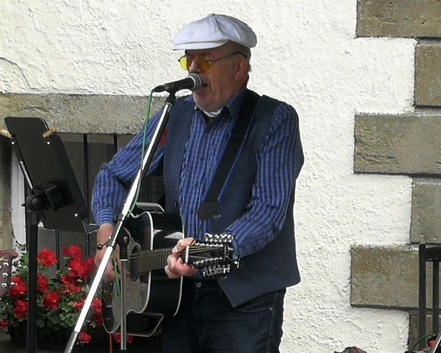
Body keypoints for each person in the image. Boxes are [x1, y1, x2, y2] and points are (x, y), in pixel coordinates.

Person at [92, 13, 304, 353]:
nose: (192, 70)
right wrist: (106, 230)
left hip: (243, 301)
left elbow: (268, 212)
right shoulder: (175, 115)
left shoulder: (275, 120)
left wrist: (207, 251)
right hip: (177, 296)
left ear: (238, 69)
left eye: (204, 60)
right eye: (187, 59)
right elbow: (114, 174)